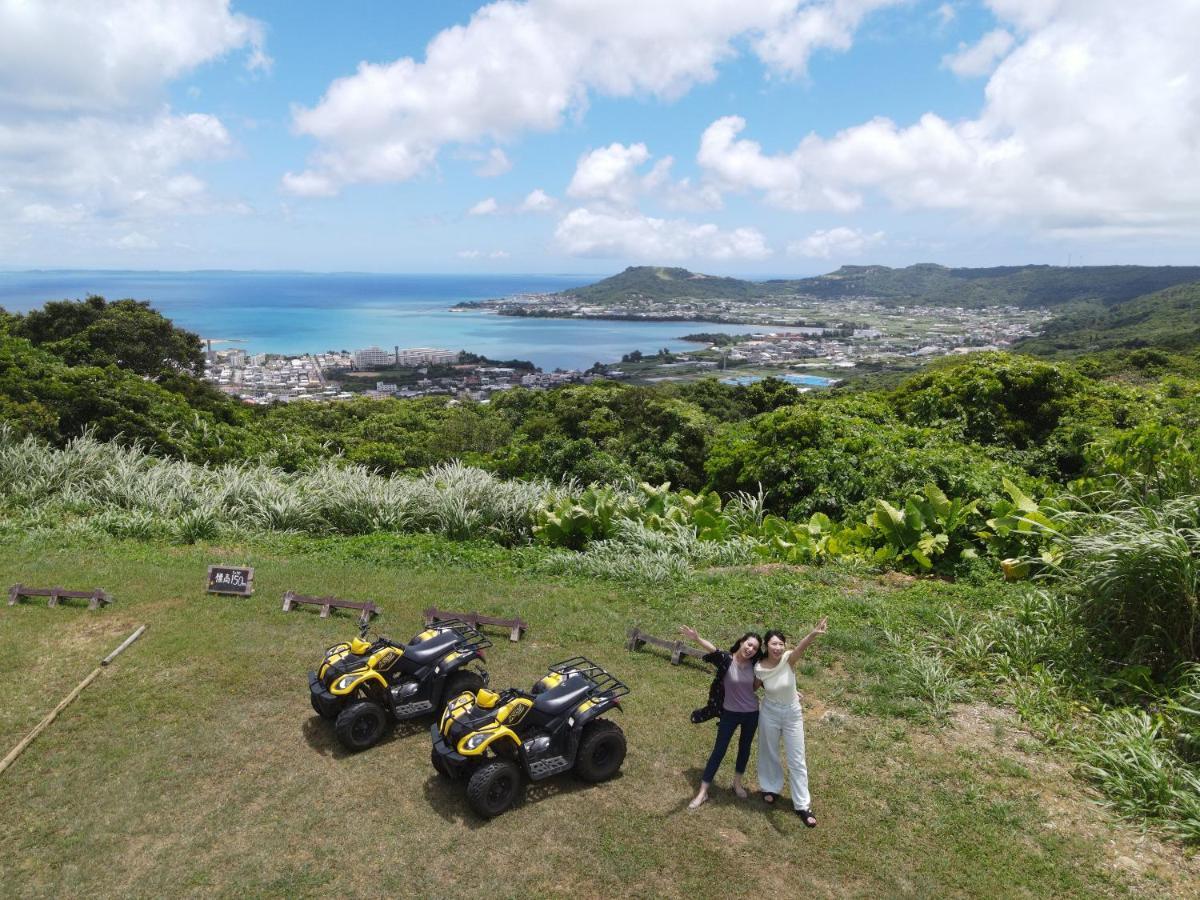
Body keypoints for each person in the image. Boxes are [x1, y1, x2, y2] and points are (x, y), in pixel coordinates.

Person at [679, 625, 764, 810]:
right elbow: (713, 649)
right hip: (729, 713)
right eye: (749, 644)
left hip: (751, 714)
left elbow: (766, 681)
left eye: (755, 648)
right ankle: (703, 792)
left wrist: (792, 692)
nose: (750, 649)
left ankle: (737, 783)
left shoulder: (756, 667)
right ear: (742, 642)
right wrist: (696, 637)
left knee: (744, 748)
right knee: (719, 750)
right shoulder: (726, 660)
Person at [755, 617, 827, 827]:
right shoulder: (759, 667)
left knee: (797, 758)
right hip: (769, 712)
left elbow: (801, 648)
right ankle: (770, 788)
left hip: (792, 714)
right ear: (766, 645)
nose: (777, 647)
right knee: (769, 751)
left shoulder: (788, 659)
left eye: (780, 643)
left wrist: (813, 633)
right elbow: (756, 685)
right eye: (773, 644)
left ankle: (803, 805)